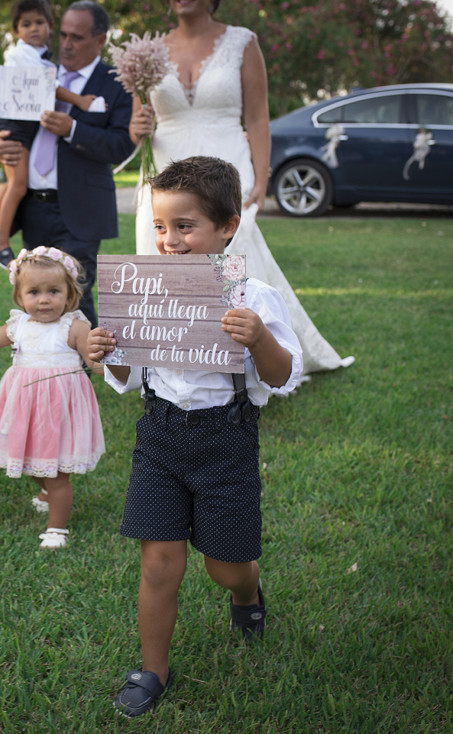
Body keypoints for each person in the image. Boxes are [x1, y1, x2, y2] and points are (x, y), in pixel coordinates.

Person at [86, 157, 302, 717]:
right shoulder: (143, 290)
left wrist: (258, 340)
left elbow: (281, 375)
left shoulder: (250, 295)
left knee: (224, 565)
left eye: (185, 226)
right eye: (160, 227)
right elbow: (126, 377)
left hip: (225, 439)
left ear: (227, 226)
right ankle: (153, 668)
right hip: (158, 436)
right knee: (159, 561)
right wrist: (104, 356)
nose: (169, 240)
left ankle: (246, 593)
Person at [130, 0, 351, 374]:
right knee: (165, 254)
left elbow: (257, 117)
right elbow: (138, 123)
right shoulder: (145, 51)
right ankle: (169, 361)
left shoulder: (242, 42)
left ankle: (253, 359)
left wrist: (261, 179)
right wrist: (136, 130)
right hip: (165, 170)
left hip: (228, 163)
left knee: (236, 255)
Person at [0, 1, 134, 327]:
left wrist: (73, 130)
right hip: (34, 208)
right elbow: (2, 118)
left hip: (81, 209)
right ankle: (43, 366)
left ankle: (83, 370)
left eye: (77, 38)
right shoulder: (35, 67)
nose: (66, 44)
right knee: (38, 294)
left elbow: (121, 145)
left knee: (75, 295)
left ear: (100, 40)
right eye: (64, 35)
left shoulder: (116, 82)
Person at [0, 246, 104, 549]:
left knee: (57, 474)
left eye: (54, 291)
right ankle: (46, 493)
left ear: (69, 294)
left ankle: (57, 529)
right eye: (34, 292)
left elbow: (95, 364)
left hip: (61, 411)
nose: (44, 299)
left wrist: (111, 358)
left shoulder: (75, 327)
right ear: (20, 296)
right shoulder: (18, 326)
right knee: (29, 462)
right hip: (25, 409)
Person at [0, 0, 99, 268]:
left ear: (50, 26)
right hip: (15, 122)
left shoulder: (39, 54)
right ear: (16, 30)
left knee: (13, 182)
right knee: (19, 184)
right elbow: (51, 87)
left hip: (25, 122)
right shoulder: (21, 54)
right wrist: (80, 102)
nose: (34, 28)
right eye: (26, 24)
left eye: (39, 23)